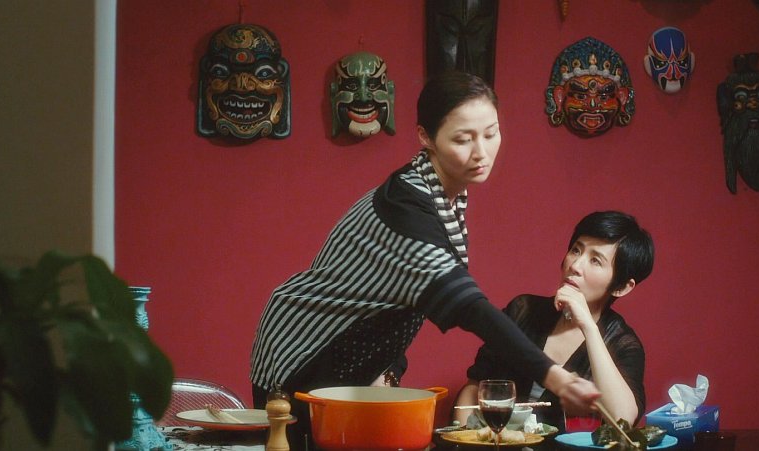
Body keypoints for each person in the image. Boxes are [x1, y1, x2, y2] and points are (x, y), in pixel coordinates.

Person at [250, 71, 601, 449]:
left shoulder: (444, 193)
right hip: (302, 350)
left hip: (349, 354)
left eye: (491, 133)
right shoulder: (405, 208)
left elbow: (393, 294)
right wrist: (554, 376)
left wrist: (388, 370)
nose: (481, 152)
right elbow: (469, 305)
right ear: (425, 138)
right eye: (463, 139)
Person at [453, 211, 654, 432]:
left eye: (595, 260)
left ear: (622, 287)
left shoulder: (623, 343)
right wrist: (465, 440)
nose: (575, 265)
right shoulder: (523, 310)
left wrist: (589, 326)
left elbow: (623, 418)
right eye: (576, 250)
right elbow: (474, 388)